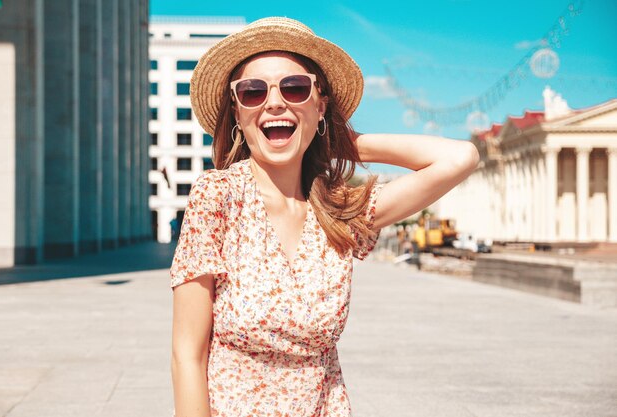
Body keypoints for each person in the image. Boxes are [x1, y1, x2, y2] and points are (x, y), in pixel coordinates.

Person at [169, 17, 478, 417]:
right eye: (253, 91)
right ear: (237, 110)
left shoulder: (341, 210)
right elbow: (186, 355)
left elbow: (460, 157)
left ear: (321, 104)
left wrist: (333, 137)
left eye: (295, 88)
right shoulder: (217, 197)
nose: (275, 102)